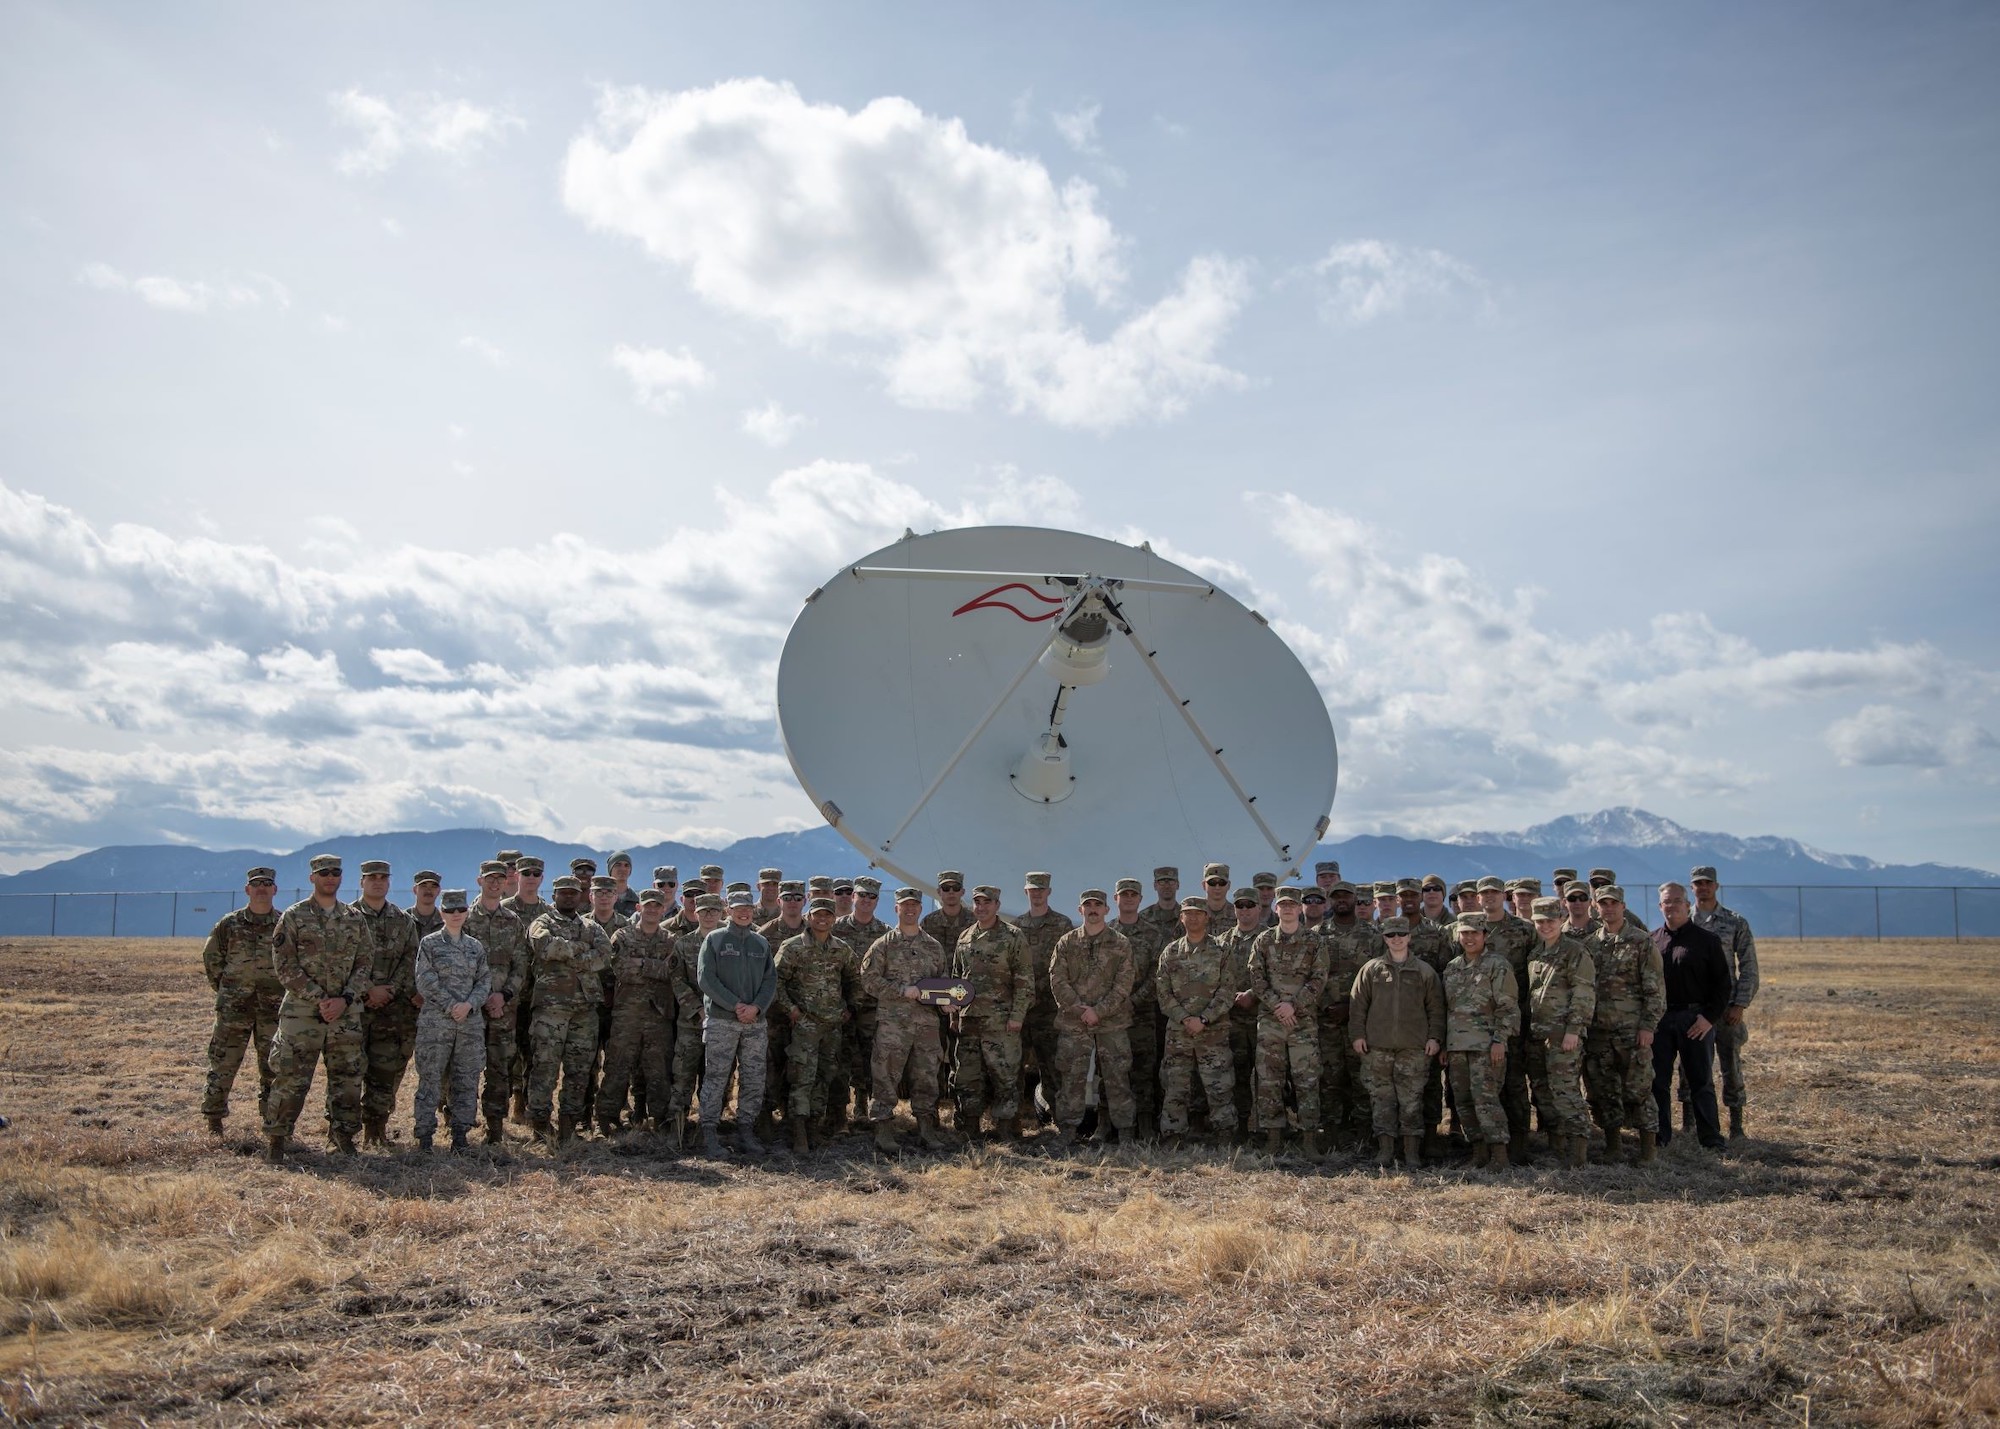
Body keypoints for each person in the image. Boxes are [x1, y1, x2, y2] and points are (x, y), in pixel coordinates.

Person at [263, 854, 372, 1162]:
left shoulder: (353, 918)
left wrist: (345, 999)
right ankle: (277, 1140)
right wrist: (319, 998)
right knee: (291, 1077)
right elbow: (284, 965)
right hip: (302, 1012)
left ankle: (343, 1136)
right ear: (312, 877)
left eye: (335, 872)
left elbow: (365, 963)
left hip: (345, 1014)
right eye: (324, 873)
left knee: (348, 1078)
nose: (330, 877)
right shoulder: (294, 917)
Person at [524, 877, 614, 1145]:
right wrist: (580, 951)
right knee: (544, 1068)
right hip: (551, 1009)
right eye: (563, 893)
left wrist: (565, 954)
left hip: (584, 1011)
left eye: (573, 893)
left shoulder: (592, 927)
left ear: (581, 897)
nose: (568, 897)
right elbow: (544, 945)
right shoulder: (543, 923)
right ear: (553, 895)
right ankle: (540, 1126)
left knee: (579, 1071)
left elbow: (605, 954)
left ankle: (568, 1126)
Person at [1349, 915, 1443, 1168]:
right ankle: (1385, 1150)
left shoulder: (1424, 971)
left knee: (1411, 1101)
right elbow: (1358, 1006)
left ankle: (1411, 1152)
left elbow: (1436, 1008)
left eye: (1401, 934)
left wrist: (1435, 1037)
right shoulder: (1371, 969)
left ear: (1410, 937)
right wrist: (1357, 1035)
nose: (1396, 939)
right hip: (1377, 1048)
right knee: (1381, 1100)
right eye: (1391, 935)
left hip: (1414, 1048)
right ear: (1384, 938)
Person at [1584, 886, 1667, 1165]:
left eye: (1613, 903)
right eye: (1603, 903)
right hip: (1599, 1032)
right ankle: (1613, 1147)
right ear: (1595, 907)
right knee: (1604, 1090)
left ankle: (1648, 1151)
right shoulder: (1591, 944)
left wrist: (1648, 1026)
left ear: (1623, 906)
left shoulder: (1641, 942)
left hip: (1631, 1032)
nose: (1608, 908)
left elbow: (1655, 990)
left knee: (1639, 1090)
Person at [861, 889, 949, 1152]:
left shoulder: (933, 946)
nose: (910, 909)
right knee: (885, 1077)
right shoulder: (883, 945)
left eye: (914, 905)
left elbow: (942, 981)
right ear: (896, 909)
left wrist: (947, 1001)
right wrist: (900, 990)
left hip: (926, 1024)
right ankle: (884, 1130)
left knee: (927, 1077)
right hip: (893, 1025)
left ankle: (925, 1129)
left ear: (920, 909)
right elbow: (868, 980)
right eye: (904, 905)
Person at [200, 866, 285, 1136]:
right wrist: (227, 990)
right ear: (247, 890)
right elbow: (212, 959)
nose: (261, 888)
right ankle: (214, 1120)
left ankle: (272, 1123)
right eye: (256, 884)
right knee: (223, 1064)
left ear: (275, 889)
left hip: (273, 1009)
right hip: (234, 1009)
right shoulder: (230, 924)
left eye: (267, 884)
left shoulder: (285, 924)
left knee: (274, 1067)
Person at [1048, 890, 1137, 1148]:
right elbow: (1057, 979)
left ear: (1107, 910)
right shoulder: (1066, 943)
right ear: (1080, 910)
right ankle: (1068, 1130)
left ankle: (1125, 1133)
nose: (1093, 909)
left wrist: (1099, 1011)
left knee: (1117, 1077)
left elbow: (1124, 984)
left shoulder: (1120, 943)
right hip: (1074, 1022)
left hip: (1112, 1022)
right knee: (1071, 1077)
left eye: (1098, 905)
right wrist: (1079, 1008)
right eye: (1088, 905)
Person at [773, 897, 860, 1152]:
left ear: (834, 918)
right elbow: (776, 982)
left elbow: (856, 979)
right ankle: (798, 1131)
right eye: (817, 915)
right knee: (802, 1077)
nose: (822, 919)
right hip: (805, 1026)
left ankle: (814, 1127)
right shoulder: (793, 947)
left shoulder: (841, 949)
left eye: (828, 915)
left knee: (825, 1076)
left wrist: (849, 1009)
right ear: (809, 917)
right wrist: (792, 1010)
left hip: (832, 1026)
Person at [1247, 888, 1328, 1158]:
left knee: (1307, 1081)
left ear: (1300, 908)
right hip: (1271, 1022)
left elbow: (1319, 979)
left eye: (1293, 904)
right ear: (1277, 908)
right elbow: (1256, 978)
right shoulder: (1264, 940)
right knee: (1269, 1082)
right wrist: (1277, 1006)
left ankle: (1309, 1140)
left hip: (1302, 1022)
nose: (1289, 908)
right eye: (1284, 904)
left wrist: (1293, 1005)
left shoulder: (1315, 942)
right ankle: (1273, 1138)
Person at [1652, 883, 1732, 1152]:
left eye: (1677, 900)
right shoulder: (1652, 942)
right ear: (1660, 906)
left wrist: (1708, 1018)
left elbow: (1723, 985)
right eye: (1667, 901)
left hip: (1695, 1020)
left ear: (1688, 905)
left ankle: (1710, 1138)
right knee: (1657, 1081)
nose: (1672, 905)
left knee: (1701, 1081)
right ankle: (1659, 1136)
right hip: (1661, 1020)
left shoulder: (1707, 941)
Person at [696, 889, 777, 1157]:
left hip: (754, 1023)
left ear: (753, 911)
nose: (744, 912)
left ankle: (746, 1130)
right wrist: (735, 1006)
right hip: (722, 1021)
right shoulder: (715, 940)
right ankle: (708, 1132)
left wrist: (755, 1008)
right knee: (716, 1078)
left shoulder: (760, 943)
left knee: (754, 1078)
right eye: (738, 908)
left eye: (748, 908)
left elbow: (770, 981)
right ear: (728, 910)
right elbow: (706, 979)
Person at [951, 885, 1034, 1140]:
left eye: (987, 902)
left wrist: (1017, 1016)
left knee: (1005, 1075)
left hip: (1001, 1021)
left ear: (997, 905)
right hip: (969, 1020)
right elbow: (957, 979)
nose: (982, 907)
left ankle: (1007, 1128)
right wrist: (954, 1016)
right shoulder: (964, 937)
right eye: (977, 902)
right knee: (968, 1075)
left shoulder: (1012, 936)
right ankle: (971, 1127)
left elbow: (1024, 980)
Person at [1155, 898, 1238, 1147]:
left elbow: (1227, 990)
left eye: (1198, 914)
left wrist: (1203, 1018)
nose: (1192, 919)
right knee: (1175, 1085)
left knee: (1219, 1085)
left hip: (1213, 1030)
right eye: (1187, 914)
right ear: (1181, 918)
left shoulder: (1222, 950)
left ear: (1207, 917)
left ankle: (1224, 1135)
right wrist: (1184, 1018)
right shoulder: (1171, 952)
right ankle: (1173, 1135)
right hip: (1179, 1032)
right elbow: (1163, 992)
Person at [411, 889, 489, 1153]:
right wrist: (450, 1005)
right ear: (442, 913)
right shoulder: (430, 944)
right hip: (436, 1023)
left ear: (466, 913)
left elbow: (484, 981)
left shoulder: (475, 947)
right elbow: (424, 979)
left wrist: (468, 1005)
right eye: (450, 910)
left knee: (467, 1080)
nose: (456, 915)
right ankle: (424, 1138)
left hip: (469, 1024)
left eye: (461, 910)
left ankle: (460, 1135)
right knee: (430, 1079)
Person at [597, 890, 680, 1136]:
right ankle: (606, 1119)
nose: (653, 910)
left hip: (659, 1016)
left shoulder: (671, 940)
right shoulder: (622, 935)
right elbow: (621, 969)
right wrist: (656, 967)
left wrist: (642, 964)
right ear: (638, 908)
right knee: (618, 1067)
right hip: (627, 1015)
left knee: (658, 1070)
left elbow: (671, 972)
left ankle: (660, 1119)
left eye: (657, 906)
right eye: (648, 906)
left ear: (663, 909)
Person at [1441, 913, 1519, 1170]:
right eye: (1464, 933)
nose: (1469, 937)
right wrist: (1444, 1044)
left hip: (1486, 1046)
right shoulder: (1452, 967)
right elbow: (1447, 1009)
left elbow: (1507, 1006)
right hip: (1457, 1047)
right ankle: (1478, 1151)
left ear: (1485, 935)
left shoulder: (1497, 965)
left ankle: (1499, 1155)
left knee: (1487, 1101)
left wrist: (1500, 1040)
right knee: (1463, 1101)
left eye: (1475, 932)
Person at [353, 859, 421, 1149]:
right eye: (371, 877)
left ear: (389, 882)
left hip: (392, 1010)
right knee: (349, 1070)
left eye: (383, 877)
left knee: (385, 1071)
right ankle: (342, 1131)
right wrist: (367, 990)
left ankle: (376, 1127)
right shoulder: (347, 917)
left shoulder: (402, 920)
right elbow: (339, 961)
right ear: (362, 882)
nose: (377, 882)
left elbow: (411, 959)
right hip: (354, 1007)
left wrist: (389, 990)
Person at [1688, 864, 1760, 1139]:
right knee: (1691, 1069)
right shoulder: (1686, 921)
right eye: (1698, 883)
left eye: (1707, 883)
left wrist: (1740, 1004)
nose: (1703, 887)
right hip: (1695, 1009)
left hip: (1727, 1009)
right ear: (1691, 887)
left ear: (1716, 886)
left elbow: (1749, 966)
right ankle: (1691, 1123)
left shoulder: (1734, 922)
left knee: (1731, 1066)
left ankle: (1737, 1125)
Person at [1524, 897, 1596, 1169]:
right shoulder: (1536, 955)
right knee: (1543, 1092)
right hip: (1538, 1036)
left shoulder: (1575, 952)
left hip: (1563, 1036)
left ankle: (1578, 1153)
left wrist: (1574, 1030)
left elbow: (1584, 993)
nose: (1545, 926)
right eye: (1539, 921)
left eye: (1550, 921)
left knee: (1566, 1093)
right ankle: (1557, 1147)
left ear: (1561, 920)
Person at [1316, 880, 1385, 1150]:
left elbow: (1380, 978)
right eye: (1336, 897)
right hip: (1327, 1019)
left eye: (1346, 896)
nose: (1341, 900)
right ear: (1330, 901)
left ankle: (1364, 1134)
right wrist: (1326, 1005)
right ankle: (1332, 1132)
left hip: (1360, 1021)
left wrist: (1352, 1008)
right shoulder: (1317, 934)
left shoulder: (1373, 936)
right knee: (1330, 1078)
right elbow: (1310, 975)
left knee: (1362, 1078)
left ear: (1356, 899)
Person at [466, 862, 529, 1144]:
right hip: (469, 1009)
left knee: (500, 1067)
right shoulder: (464, 919)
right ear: (479, 880)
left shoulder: (513, 921)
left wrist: (503, 996)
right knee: (464, 1067)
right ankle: (458, 1124)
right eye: (489, 879)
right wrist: (479, 998)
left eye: (499, 879)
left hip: (503, 1008)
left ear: (507, 883)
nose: (494, 884)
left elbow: (521, 965)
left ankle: (495, 1127)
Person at [662, 894, 724, 1148]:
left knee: (715, 1077)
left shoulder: (728, 942)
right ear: (695, 912)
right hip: (691, 1023)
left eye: (714, 910)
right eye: (704, 910)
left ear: (722, 913)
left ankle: (709, 1128)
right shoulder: (683, 944)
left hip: (722, 1021)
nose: (709, 915)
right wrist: (698, 1009)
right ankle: (676, 1127)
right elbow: (677, 981)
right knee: (683, 1075)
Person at [1013, 872, 1075, 1118]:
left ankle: (1060, 1121)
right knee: (1015, 1068)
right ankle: (1015, 1122)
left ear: (1048, 891)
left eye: (1041, 889)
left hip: (1050, 1010)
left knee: (1053, 1068)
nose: (1036, 893)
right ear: (1026, 892)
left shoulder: (1062, 925)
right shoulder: (1016, 927)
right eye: (1032, 889)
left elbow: (1069, 966)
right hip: (1022, 1011)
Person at [1111, 877, 1168, 1140]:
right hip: (1110, 1015)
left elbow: (1157, 975)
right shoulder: (1106, 932)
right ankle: (1107, 1122)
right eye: (1124, 894)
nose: (1129, 898)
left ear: (1140, 899)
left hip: (1142, 1013)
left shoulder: (1153, 934)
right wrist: (1114, 1002)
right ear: (1116, 900)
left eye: (1134, 894)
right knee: (1110, 1069)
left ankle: (1145, 1123)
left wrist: (1133, 1000)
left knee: (1145, 1068)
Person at [832, 876, 890, 1132]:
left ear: (877, 900)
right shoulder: (835, 928)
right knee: (840, 1057)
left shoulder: (884, 933)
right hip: (841, 1006)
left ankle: (863, 1107)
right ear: (853, 897)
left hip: (870, 1007)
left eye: (872, 896)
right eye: (862, 895)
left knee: (869, 1058)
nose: (866, 900)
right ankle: (837, 1114)